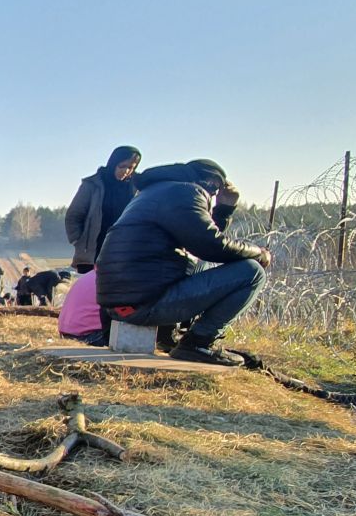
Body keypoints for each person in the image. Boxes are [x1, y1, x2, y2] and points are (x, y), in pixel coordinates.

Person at [96, 159, 270, 365]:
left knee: (201, 264)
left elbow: (202, 241)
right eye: (214, 188)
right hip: (144, 304)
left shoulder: (154, 192)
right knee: (252, 272)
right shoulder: (185, 192)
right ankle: (197, 343)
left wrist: (223, 210)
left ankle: (169, 336)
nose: (214, 195)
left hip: (123, 302)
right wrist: (259, 253)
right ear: (205, 180)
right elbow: (210, 244)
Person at [66, 146, 142, 272]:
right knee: (90, 290)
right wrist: (78, 241)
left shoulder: (136, 189)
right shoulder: (92, 185)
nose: (126, 171)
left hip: (123, 252)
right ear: (113, 164)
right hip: (92, 254)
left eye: (130, 168)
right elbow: (74, 215)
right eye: (122, 166)